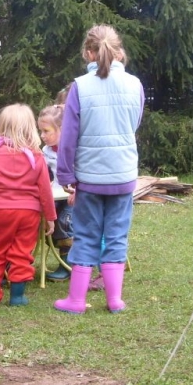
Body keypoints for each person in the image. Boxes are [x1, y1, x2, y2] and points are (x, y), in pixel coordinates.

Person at [54, 25, 144, 314]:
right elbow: (134, 125)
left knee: (86, 236)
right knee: (117, 235)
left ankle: (76, 301)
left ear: (88, 53)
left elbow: (67, 137)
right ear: (119, 51)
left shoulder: (80, 86)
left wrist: (66, 174)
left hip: (90, 178)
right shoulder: (135, 84)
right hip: (123, 175)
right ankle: (115, 300)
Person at [0, 104, 57, 307]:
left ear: (1, 128)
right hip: (29, 213)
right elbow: (45, 191)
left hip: (2, 212)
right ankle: (17, 297)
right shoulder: (37, 157)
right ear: (30, 128)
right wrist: (50, 217)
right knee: (22, 253)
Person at [37, 103, 73, 281]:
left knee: (64, 222)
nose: (42, 136)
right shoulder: (47, 150)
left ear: (62, 129)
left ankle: (68, 264)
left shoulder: (75, 147)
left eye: (46, 131)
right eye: (40, 131)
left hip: (75, 196)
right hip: (57, 194)